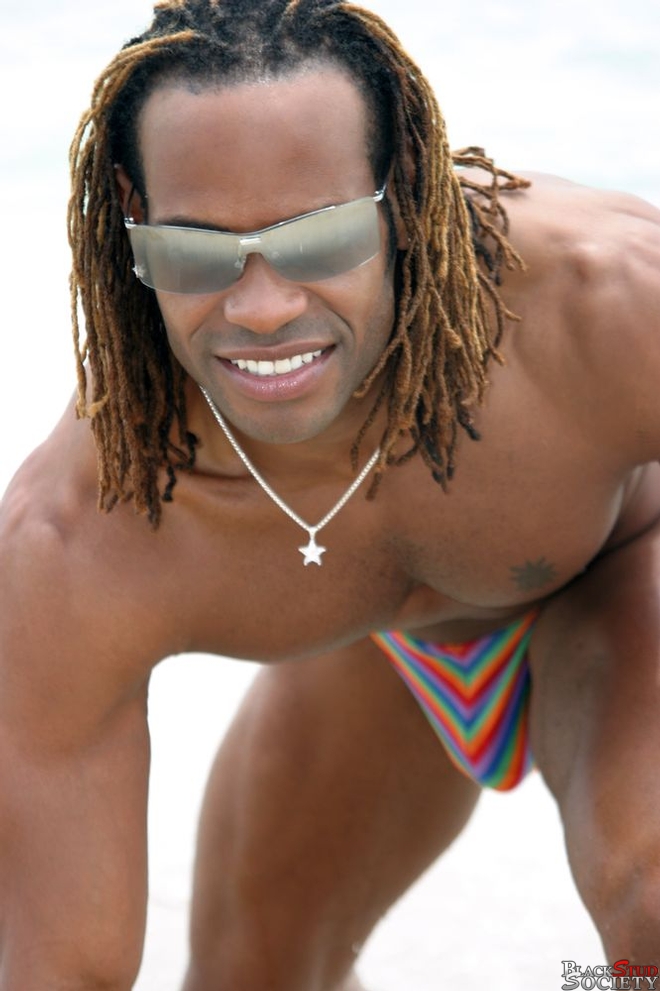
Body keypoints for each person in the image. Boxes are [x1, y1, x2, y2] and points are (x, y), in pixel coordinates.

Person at [1, 0, 659, 988]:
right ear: (132, 215)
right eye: (195, 253)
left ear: (403, 185)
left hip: (617, 568)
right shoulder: (78, 535)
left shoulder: (606, 299)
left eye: (320, 240)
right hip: (382, 649)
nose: (263, 308)